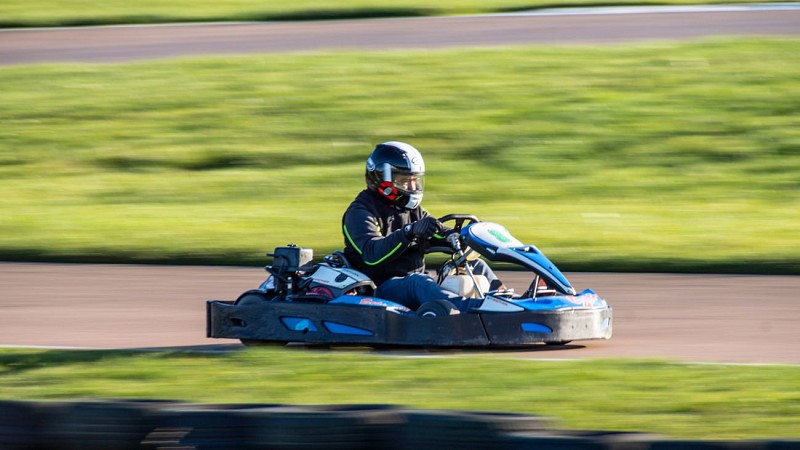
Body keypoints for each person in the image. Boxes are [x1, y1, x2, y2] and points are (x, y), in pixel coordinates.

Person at [341, 141, 503, 311]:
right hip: (380, 289)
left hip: (415, 281)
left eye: (414, 180)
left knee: (475, 265)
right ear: (383, 178)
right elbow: (372, 254)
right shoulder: (360, 212)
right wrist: (408, 232)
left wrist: (459, 236)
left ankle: (508, 301)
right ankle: (466, 309)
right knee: (418, 282)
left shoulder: (412, 210)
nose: (412, 187)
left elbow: (437, 231)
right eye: (405, 181)